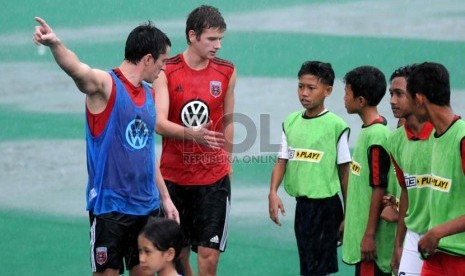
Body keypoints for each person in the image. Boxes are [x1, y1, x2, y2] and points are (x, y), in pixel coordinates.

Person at [32, 17, 178, 276]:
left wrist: (166, 198)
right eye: (162, 61)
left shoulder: (149, 95)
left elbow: (146, 152)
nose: (163, 69)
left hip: (146, 207)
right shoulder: (106, 86)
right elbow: (78, 70)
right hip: (111, 209)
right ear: (147, 59)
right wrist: (55, 44)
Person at [153, 5, 236, 276]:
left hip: (213, 179)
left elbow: (229, 121)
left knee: (209, 257)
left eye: (220, 38)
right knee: (177, 256)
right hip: (174, 179)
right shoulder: (167, 70)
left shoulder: (226, 72)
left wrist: (229, 163)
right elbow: (159, 123)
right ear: (192, 35)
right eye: (212, 39)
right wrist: (193, 134)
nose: (218, 45)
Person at [268, 61, 351, 276]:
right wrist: (273, 193)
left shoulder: (336, 126)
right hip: (302, 209)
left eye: (311, 88)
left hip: (327, 209)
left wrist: (348, 215)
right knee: (307, 268)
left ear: (328, 91)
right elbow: (281, 161)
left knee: (317, 271)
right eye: (300, 86)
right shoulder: (291, 122)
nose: (304, 93)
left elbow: (345, 173)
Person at [407, 62, 465, 275]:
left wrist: (437, 232)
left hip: (460, 260)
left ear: (419, 99)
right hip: (435, 257)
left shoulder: (462, 139)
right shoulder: (435, 138)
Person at [341, 65, 397, 275]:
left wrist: (369, 235)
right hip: (360, 234)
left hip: (370, 249)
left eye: (347, 93)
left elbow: (378, 187)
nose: (344, 98)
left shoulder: (376, 136)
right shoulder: (369, 131)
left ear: (361, 101)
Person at [383, 64, 435, 276]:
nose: (392, 101)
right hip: (413, 237)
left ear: (418, 96)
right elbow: (407, 191)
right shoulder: (395, 141)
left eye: (399, 94)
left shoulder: (443, 135)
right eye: (391, 94)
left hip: (446, 239)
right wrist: (398, 244)